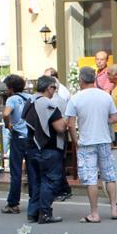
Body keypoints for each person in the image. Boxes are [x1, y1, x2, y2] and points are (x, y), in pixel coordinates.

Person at [66, 66, 117, 223]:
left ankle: (94, 213)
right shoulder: (105, 96)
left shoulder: (76, 98)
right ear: (95, 78)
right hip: (104, 139)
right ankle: (114, 209)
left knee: (91, 178)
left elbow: (70, 124)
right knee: (109, 175)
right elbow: (115, 118)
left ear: (81, 80)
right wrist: (103, 121)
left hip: (87, 141)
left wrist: (76, 141)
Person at [22, 76, 67, 224]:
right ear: (49, 88)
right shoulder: (48, 104)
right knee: (49, 181)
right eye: (54, 88)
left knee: (35, 181)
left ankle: (33, 212)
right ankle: (45, 213)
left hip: (31, 147)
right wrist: (66, 122)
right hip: (48, 148)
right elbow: (59, 127)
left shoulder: (29, 101)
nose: (55, 91)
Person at [1, 74, 33, 214]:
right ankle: (34, 200)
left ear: (11, 88)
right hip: (31, 137)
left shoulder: (12, 99)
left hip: (18, 136)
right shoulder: (30, 98)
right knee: (32, 171)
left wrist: (9, 125)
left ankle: (13, 203)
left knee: (16, 171)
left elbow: (6, 113)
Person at [44, 68, 72, 201]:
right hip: (61, 133)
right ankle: (64, 188)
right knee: (59, 161)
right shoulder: (60, 98)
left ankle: (61, 189)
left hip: (56, 135)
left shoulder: (53, 101)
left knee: (57, 163)